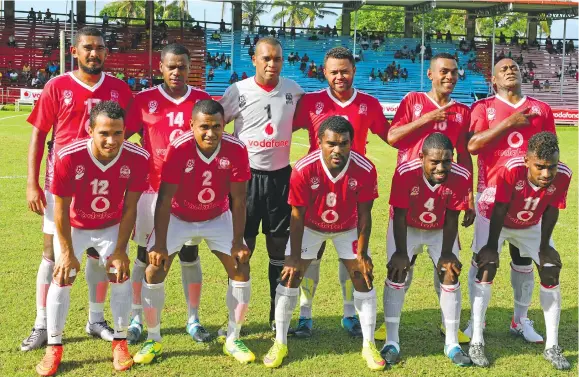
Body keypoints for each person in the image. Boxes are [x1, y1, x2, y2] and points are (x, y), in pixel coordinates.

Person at [22, 27, 133, 353]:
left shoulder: (119, 89)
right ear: (75, 52)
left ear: (105, 53)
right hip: (62, 185)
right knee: (51, 254)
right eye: (88, 48)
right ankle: (42, 323)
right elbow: (38, 136)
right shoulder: (57, 86)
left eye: (99, 48)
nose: (94, 53)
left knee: (100, 257)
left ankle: (95, 319)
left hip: (105, 189)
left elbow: (131, 136)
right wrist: (31, 183)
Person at [35, 101, 149, 376]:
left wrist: (121, 250)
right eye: (104, 133)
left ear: (125, 131)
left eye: (118, 133)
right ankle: (54, 345)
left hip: (111, 225)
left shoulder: (138, 157)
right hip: (75, 225)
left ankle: (120, 342)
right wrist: (66, 251)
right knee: (63, 275)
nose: (112, 141)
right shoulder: (68, 156)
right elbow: (59, 210)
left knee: (119, 273)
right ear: (90, 130)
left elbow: (131, 206)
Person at [135, 100, 255, 364]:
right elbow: (164, 199)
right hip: (179, 215)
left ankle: (234, 337)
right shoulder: (179, 148)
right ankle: (153, 339)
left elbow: (238, 199)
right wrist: (161, 245)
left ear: (225, 125)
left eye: (217, 127)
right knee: (154, 269)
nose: (210, 133)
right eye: (204, 127)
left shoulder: (236, 149)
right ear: (192, 125)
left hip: (216, 215)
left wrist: (237, 241)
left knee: (241, 267)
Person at [263, 116, 384, 371]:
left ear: (352, 143)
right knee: (290, 276)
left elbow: (365, 215)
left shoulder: (365, 168)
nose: (337, 150)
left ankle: (368, 344)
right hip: (311, 227)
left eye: (343, 143)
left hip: (347, 228)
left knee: (363, 276)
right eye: (331, 144)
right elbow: (297, 215)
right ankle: (280, 342)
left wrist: (362, 253)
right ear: (319, 142)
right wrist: (294, 256)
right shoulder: (304, 168)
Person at [292, 47, 389, 338]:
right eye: (334, 71)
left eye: (344, 71)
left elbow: (390, 135)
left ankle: (350, 313)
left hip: (354, 190)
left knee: (353, 255)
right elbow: (282, 130)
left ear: (354, 71)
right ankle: (305, 315)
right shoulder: (310, 103)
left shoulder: (369, 104)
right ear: (324, 72)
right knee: (313, 254)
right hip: (315, 189)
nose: (339, 76)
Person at [466, 58, 557, 367]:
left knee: (523, 260)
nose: (510, 70)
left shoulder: (541, 110)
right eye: (503, 68)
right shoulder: (482, 109)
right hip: (491, 195)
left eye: (514, 67)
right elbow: (472, 146)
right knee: (484, 258)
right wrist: (508, 123)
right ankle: (476, 324)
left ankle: (520, 320)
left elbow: (551, 152)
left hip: (529, 198)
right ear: (493, 79)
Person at [123, 44, 212, 348]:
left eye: (183, 66)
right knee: (143, 255)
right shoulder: (143, 100)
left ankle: (193, 318)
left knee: (189, 253)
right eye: (171, 66)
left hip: (190, 193)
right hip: (151, 191)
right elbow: (126, 141)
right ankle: (137, 318)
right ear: (160, 67)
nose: (177, 72)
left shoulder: (202, 100)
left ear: (191, 68)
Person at [385, 52, 475, 343]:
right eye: (444, 72)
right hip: (408, 194)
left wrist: (470, 193)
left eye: (454, 72)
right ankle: (390, 324)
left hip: (445, 198)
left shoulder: (462, 111)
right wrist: (427, 118)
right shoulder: (413, 101)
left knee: (447, 267)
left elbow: (464, 154)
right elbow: (392, 137)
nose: (449, 77)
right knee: (401, 266)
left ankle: (449, 327)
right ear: (430, 74)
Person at [219, 37, 304, 330]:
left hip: (281, 179)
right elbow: (217, 125)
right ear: (254, 60)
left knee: (279, 252)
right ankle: (236, 320)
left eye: (277, 59)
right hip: (246, 181)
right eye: (266, 58)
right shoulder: (238, 91)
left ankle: (275, 316)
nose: (272, 64)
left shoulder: (293, 90)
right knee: (243, 250)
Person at [470, 132, 571, 370]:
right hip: (494, 216)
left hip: (530, 223)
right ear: (527, 161)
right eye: (540, 167)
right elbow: (499, 208)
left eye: (552, 167)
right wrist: (492, 247)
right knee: (486, 267)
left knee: (550, 269)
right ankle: (476, 339)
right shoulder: (511, 169)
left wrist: (545, 247)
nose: (546, 174)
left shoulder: (563, 174)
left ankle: (552, 346)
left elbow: (552, 209)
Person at [383, 133, 472, 367]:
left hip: (441, 228)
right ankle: (391, 341)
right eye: (434, 162)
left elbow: (453, 217)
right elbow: (399, 216)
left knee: (450, 271)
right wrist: (402, 253)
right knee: (397, 271)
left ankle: (452, 343)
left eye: (447, 161)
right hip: (408, 227)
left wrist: (446, 253)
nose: (441, 168)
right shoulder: (405, 173)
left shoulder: (461, 176)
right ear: (421, 157)